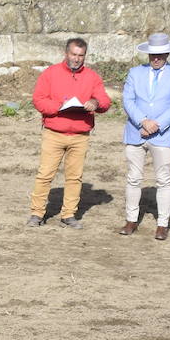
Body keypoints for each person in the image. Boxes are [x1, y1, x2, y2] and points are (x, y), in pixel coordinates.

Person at [27, 37, 112, 228]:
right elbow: (38, 100)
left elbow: (105, 101)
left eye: (81, 55)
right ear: (66, 53)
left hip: (80, 136)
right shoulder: (50, 74)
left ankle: (68, 214)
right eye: (73, 54)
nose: (76, 59)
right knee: (45, 174)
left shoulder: (92, 77)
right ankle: (37, 213)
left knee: (74, 177)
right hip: (54, 133)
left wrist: (96, 103)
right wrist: (60, 107)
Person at [119, 32, 170, 240]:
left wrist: (156, 125)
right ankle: (131, 219)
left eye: (160, 55)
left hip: (163, 134)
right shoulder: (135, 73)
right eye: (152, 55)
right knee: (133, 177)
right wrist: (143, 121)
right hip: (136, 131)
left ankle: (162, 222)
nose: (156, 58)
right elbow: (128, 100)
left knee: (164, 179)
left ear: (167, 53)